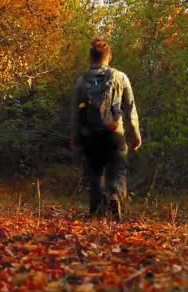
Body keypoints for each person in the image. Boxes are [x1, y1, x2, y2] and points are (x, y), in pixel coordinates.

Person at [70, 38, 142, 221]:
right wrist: (135, 134)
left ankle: (96, 215)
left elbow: (76, 113)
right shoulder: (120, 77)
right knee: (118, 170)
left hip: (91, 135)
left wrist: (75, 136)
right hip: (114, 133)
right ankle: (115, 196)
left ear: (90, 57)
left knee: (94, 174)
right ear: (108, 56)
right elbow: (130, 107)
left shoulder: (82, 80)